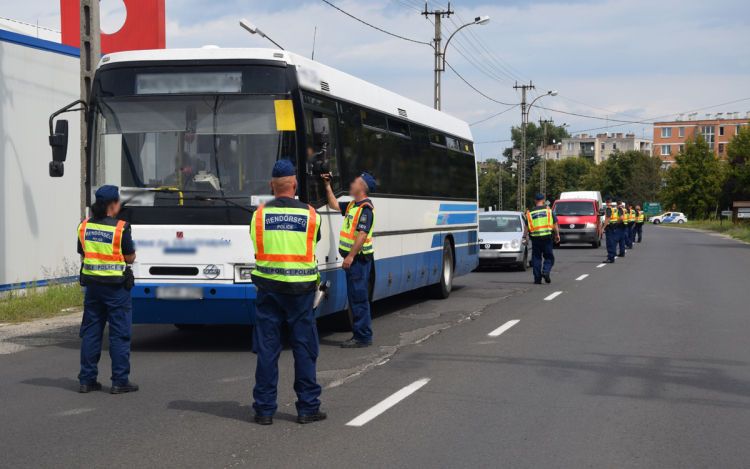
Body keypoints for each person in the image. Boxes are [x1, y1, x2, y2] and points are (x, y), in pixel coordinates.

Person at [249, 160, 326, 426]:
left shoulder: (258, 215)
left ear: (271, 185)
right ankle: (307, 408)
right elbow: (313, 243)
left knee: (267, 349)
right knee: (304, 347)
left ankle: (264, 410)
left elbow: (257, 245)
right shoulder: (312, 214)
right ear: (295, 184)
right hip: (301, 292)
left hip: (268, 291)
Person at [77, 185, 138, 394]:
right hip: (116, 289)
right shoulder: (121, 227)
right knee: (119, 335)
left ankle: (87, 380)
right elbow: (130, 257)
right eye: (118, 201)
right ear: (112, 204)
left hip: (92, 287)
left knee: (91, 334)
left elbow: (83, 252)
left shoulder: (84, 226)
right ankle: (120, 381)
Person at [322, 172, 376, 348]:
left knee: (358, 298)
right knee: (355, 297)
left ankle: (362, 337)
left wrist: (351, 256)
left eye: (355, 182)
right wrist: (328, 185)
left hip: (358, 261)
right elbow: (334, 204)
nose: (351, 183)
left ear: (362, 187)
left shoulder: (365, 208)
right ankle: (362, 335)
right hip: (354, 261)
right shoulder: (354, 205)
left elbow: (362, 234)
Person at [525, 194, 560, 284]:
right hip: (547, 239)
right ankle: (546, 271)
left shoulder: (529, 213)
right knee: (549, 257)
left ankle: (537, 279)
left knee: (536, 258)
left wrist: (524, 237)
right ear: (543, 201)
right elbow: (555, 224)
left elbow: (526, 227)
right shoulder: (549, 211)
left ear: (535, 201)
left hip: (535, 239)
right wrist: (557, 235)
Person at [602, 196, 621, 264]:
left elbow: (608, 219)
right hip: (615, 227)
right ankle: (612, 256)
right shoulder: (615, 208)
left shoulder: (609, 209)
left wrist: (603, 227)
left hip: (610, 228)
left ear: (606, 201)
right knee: (613, 242)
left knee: (610, 243)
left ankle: (610, 258)